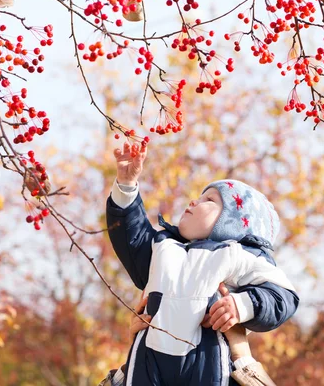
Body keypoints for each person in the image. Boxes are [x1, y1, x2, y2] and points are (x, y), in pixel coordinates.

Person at [103, 142, 299, 386]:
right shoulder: (165, 247)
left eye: (209, 199)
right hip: (149, 358)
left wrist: (241, 305)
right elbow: (132, 239)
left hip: (207, 358)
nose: (193, 201)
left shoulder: (237, 253)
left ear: (233, 223)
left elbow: (283, 296)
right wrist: (126, 186)